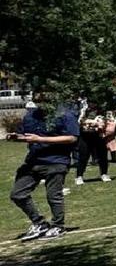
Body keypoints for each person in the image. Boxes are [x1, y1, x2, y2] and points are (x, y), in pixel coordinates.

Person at [10, 93, 80, 241]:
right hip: (33, 161)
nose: (40, 104)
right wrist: (17, 137)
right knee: (18, 194)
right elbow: (26, 134)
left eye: (44, 100)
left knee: (53, 196)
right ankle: (39, 223)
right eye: (37, 101)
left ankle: (58, 226)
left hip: (56, 161)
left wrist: (40, 139)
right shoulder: (30, 116)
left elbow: (72, 137)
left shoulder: (65, 114)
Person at [74, 112, 112, 185]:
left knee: (102, 155)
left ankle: (104, 174)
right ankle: (79, 176)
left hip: (98, 136)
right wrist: (93, 122)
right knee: (83, 157)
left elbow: (105, 121)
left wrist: (100, 123)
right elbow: (79, 120)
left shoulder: (101, 110)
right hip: (85, 136)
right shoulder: (82, 109)